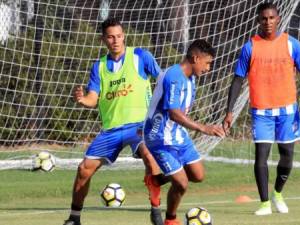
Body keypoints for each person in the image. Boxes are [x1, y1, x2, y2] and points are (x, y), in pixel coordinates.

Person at [63, 17, 166, 225]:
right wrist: (83, 100)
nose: (116, 40)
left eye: (119, 36)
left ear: (124, 35)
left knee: (149, 156)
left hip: (139, 125)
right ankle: (74, 218)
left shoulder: (140, 56)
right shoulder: (99, 66)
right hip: (111, 130)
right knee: (84, 169)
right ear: (103, 39)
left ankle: (156, 212)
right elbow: (93, 98)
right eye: (110, 37)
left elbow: (163, 79)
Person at [223, 2, 300, 216]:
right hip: (261, 112)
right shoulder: (250, 47)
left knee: (287, 157)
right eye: (264, 18)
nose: (268, 22)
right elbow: (237, 80)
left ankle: (278, 193)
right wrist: (229, 111)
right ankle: (265, 203)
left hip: (288, 111)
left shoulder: (291, 44)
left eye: (271, 18)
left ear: (278, 19)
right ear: (258, 20)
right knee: (261, 157)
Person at [144, 39, 225, 225]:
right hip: (158, 137)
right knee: (181, 183)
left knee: (198, 175)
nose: (208, 69)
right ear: (195, 58)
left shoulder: (191, 78)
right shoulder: (174, 76)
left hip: (177, 133)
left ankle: (156, 180)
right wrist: (204, 128)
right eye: (207, 63)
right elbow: (173, 113)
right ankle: (170, 220)